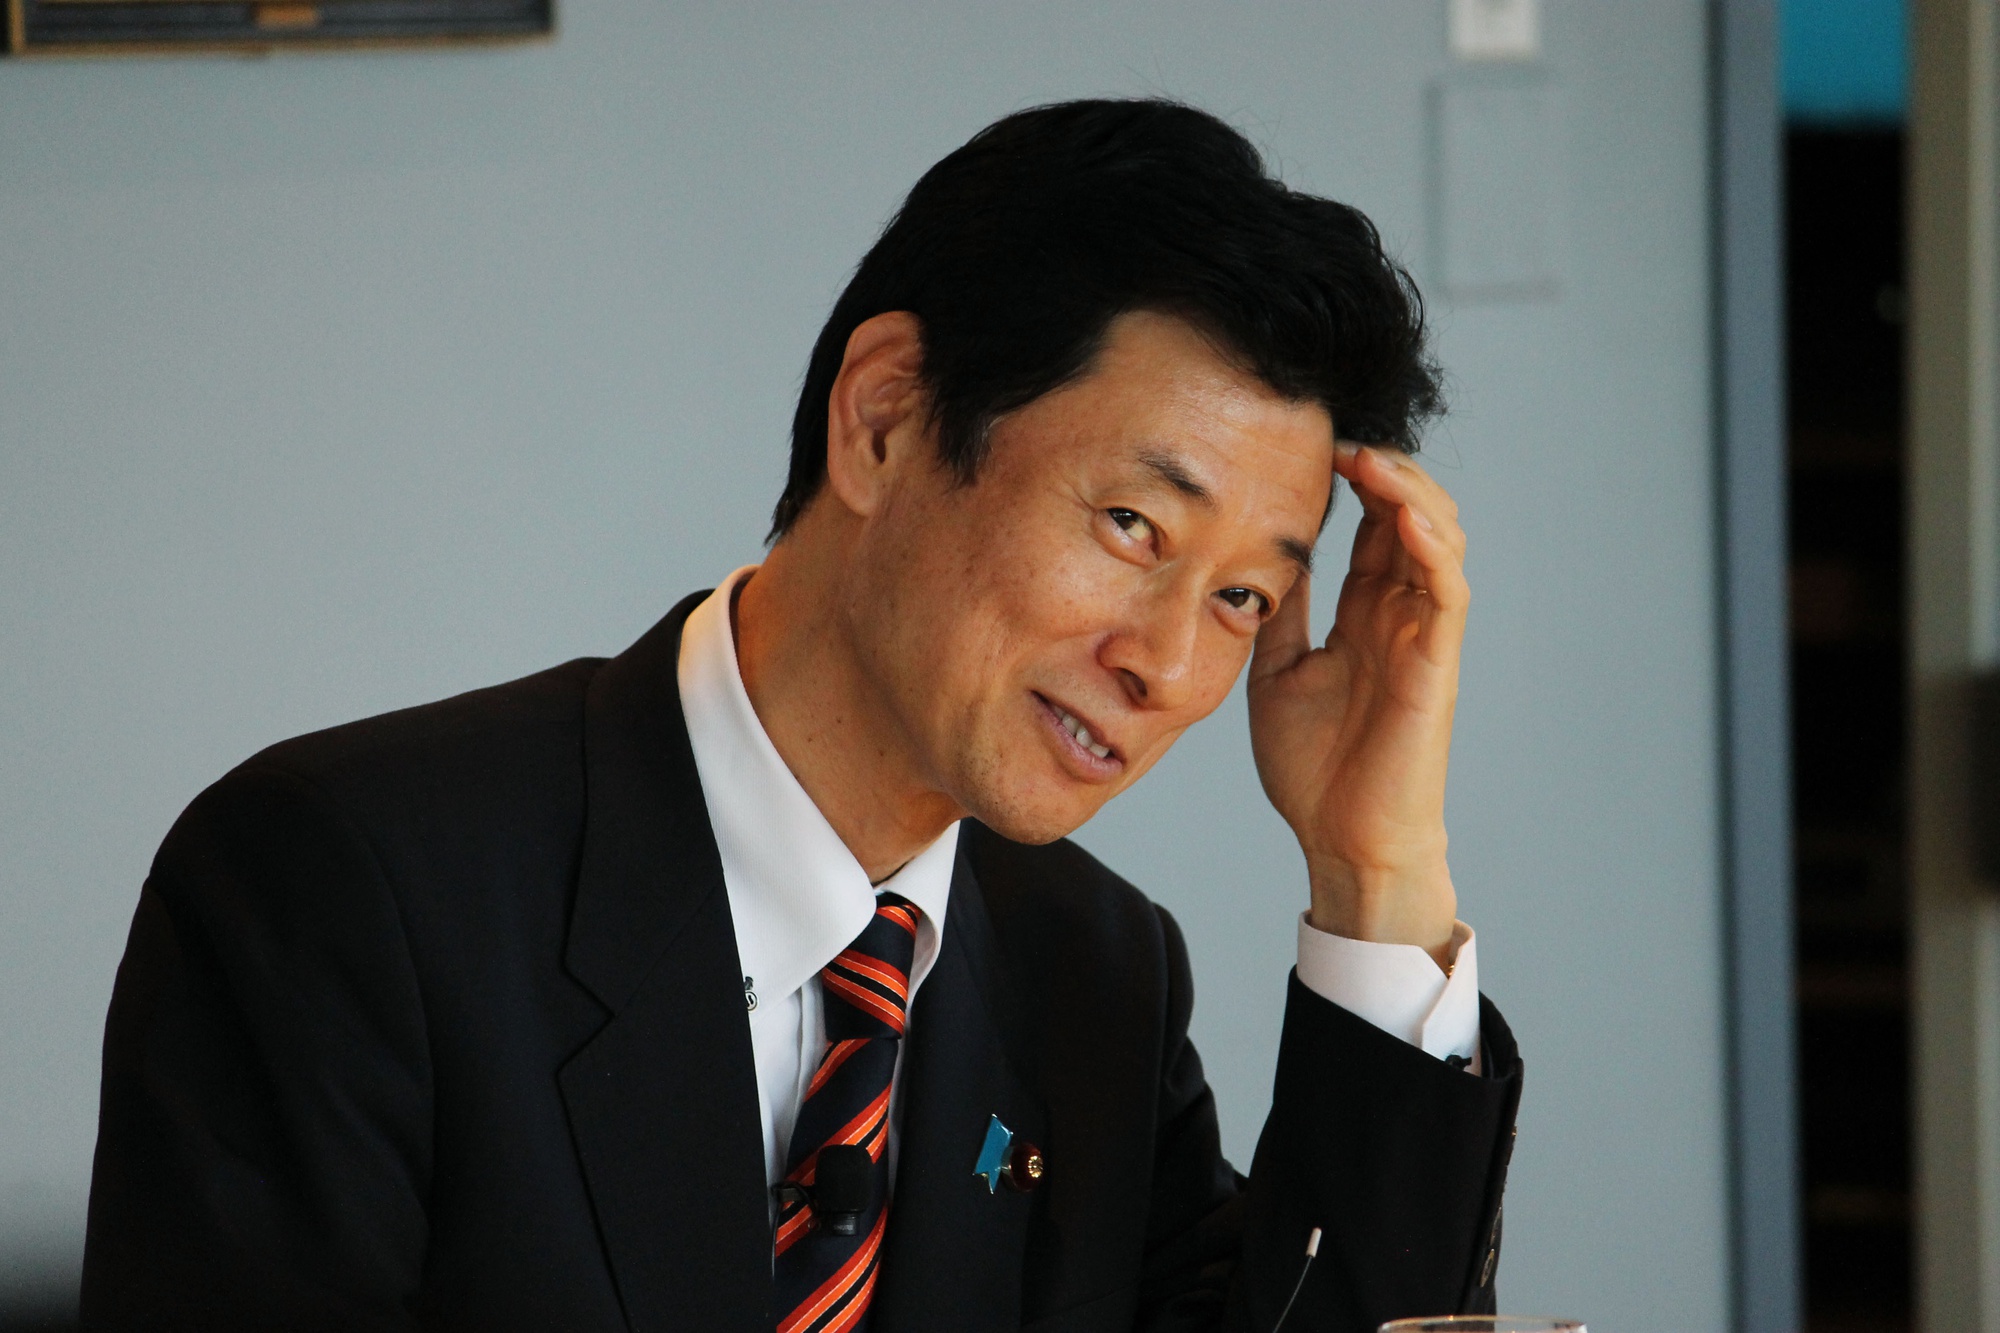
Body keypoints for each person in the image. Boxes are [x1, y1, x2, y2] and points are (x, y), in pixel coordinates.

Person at [79, 98, 1522, 1333]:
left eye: (1244, 599)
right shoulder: (349, 889)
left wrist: (1376, 870)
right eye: (1135, 524)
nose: (1167, 664)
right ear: (884, 420)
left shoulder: (1090, 976)